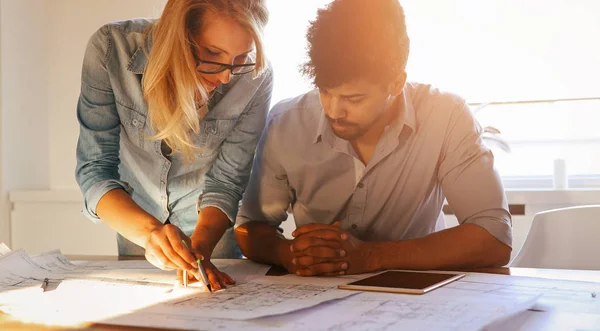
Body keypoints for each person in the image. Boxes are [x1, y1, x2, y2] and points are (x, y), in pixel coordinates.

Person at [235, 0, 511, 277]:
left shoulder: (446, 116)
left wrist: (370, 256)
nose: (333, 110)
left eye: (354, 98)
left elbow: (494, 238)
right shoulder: (286, 122)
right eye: (325, 91)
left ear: (396, 83)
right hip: (316, 297)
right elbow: (250, 227)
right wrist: (289, 253)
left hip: (419, 295)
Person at [75, 0, 272, 290]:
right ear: (178, 37)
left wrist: (200, 250)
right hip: (137, 232)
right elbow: (95, 170)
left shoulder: (255, 78)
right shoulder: (110, 49)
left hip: (215, 241)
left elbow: (227, 182)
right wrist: (150, 233)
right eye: (213, 53)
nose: (226, 77)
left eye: (241, 57)